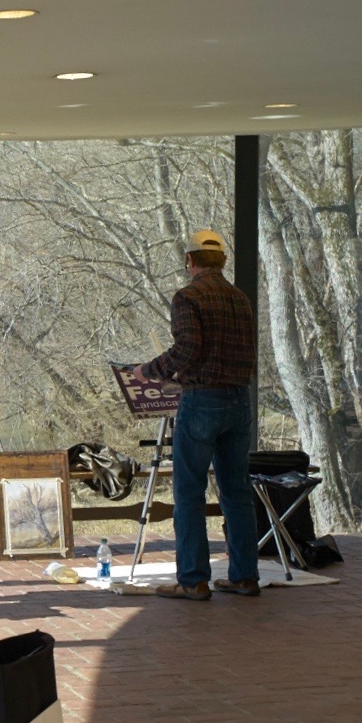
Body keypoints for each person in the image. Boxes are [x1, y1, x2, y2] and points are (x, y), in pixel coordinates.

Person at [133, 229, 261, 600]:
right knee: (236, 491)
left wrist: (150, 370)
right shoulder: (240, 299)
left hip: (202, 401)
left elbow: (188, 348)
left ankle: (193, 580)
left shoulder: (188, 296)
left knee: (188, 491)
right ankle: (244, 577)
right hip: (240, 401)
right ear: (222, 261)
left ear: (190, 262)